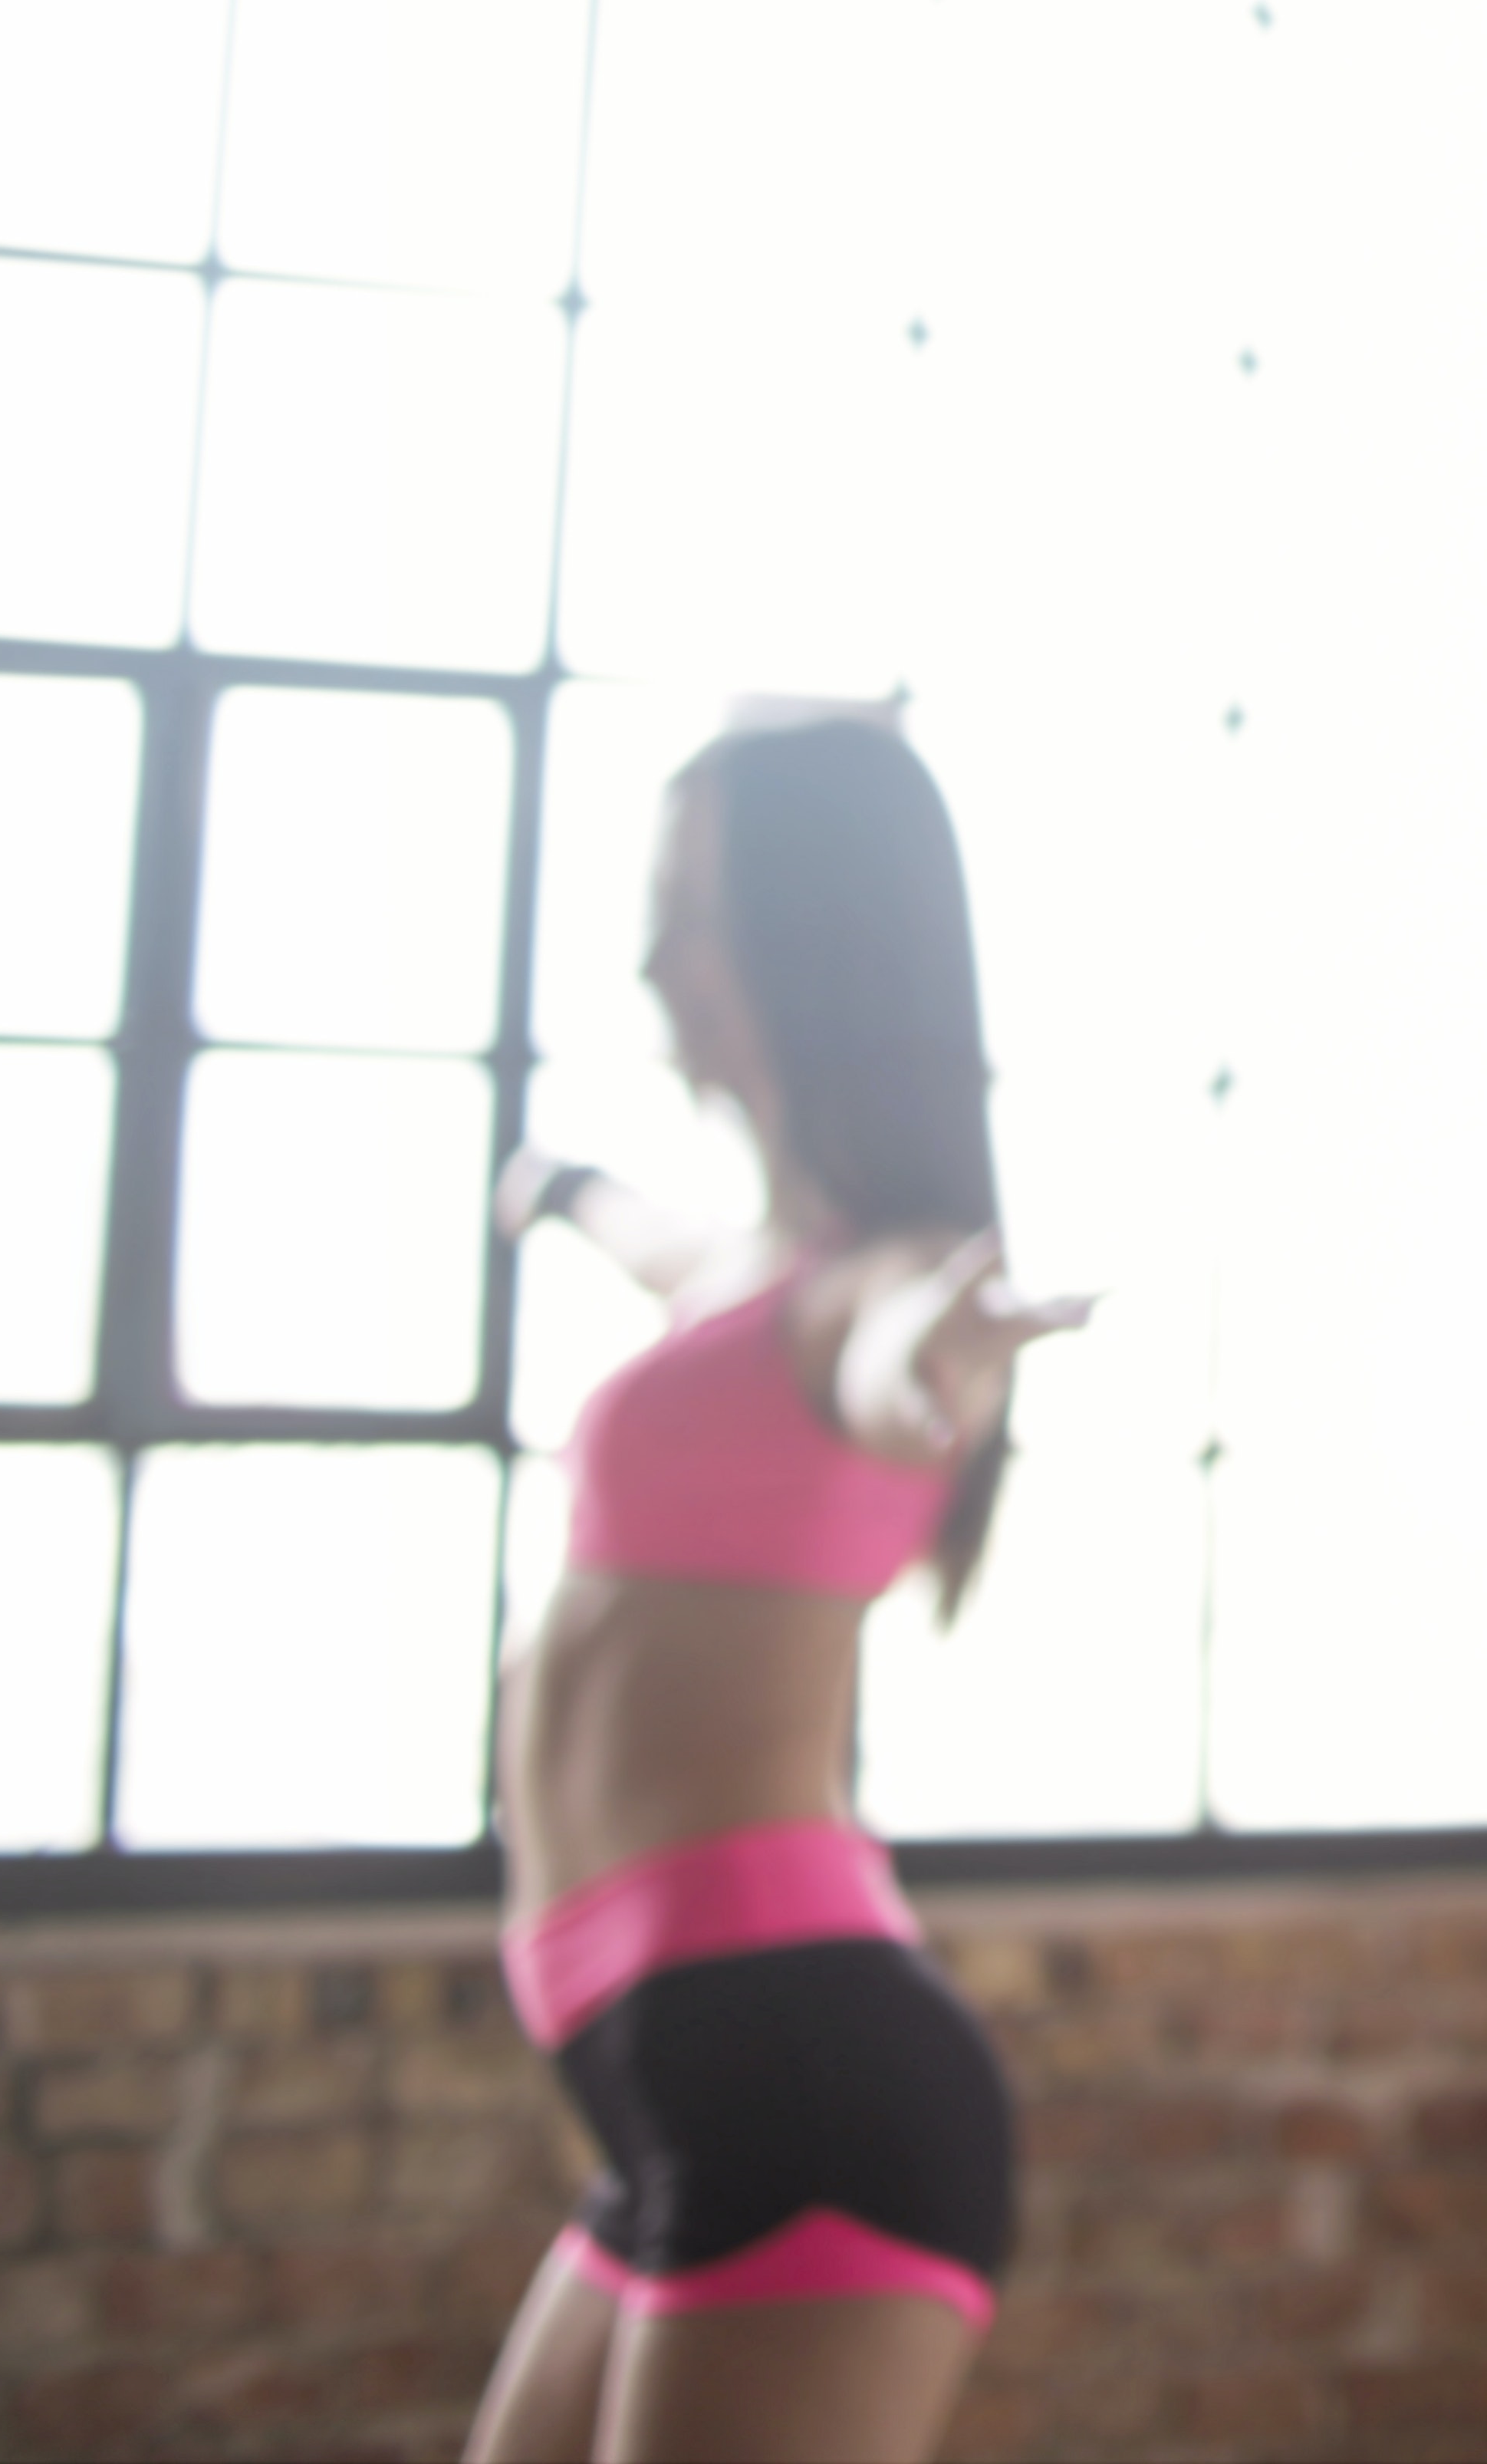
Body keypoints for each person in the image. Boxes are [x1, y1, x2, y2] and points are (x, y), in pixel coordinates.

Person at [464, 719, 1085, 2464]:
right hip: (675, 2090)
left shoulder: (873, 1291)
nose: (654, 957)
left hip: (804, 2073)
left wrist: (945, 1357)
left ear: (817, 938)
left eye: (695, 909)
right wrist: (563, 1191)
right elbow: (676, 1248)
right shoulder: (760, 1269)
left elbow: (897, 1351)